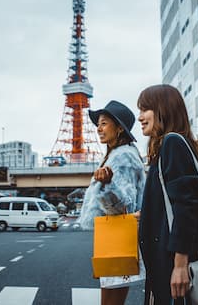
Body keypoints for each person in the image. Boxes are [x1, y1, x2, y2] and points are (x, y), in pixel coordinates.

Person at [137, 85, 198, 304]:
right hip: (168, 260)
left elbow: (186, 207)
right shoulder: (167, 147)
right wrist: (148, 214)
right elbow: (174, 204)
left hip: (174, 262)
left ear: (162, 110)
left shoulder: (172, 143)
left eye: (145, 109)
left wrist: (180, 265)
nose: (140, 117)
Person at [78, 100, 146, 305]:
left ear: (119, 129)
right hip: (116, 234)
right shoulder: (120, 153)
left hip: (117, 235)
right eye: (98, 124)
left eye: (104, 123)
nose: (98, 128)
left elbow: (125, 204)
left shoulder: (122, 156)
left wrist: (108, 184)